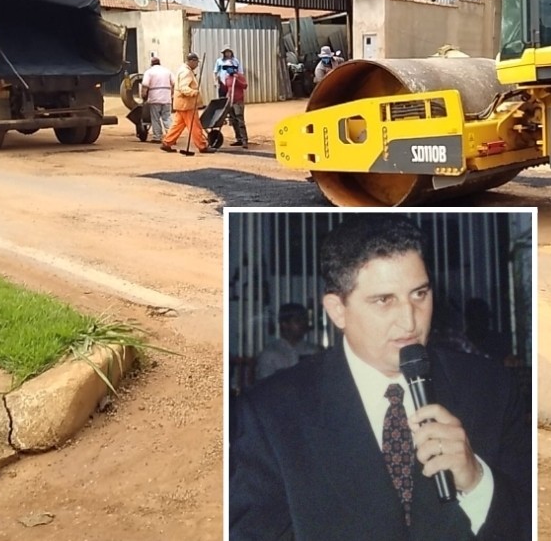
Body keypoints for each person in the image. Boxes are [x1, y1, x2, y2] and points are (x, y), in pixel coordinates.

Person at [229, 214, 531, 541]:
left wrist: (477, 483)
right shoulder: (269, 414)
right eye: (384, 300)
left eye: (419, 294)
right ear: (337, 310)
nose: (409, 321)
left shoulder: (493, 389)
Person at [254, 303, 322, 381]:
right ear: (284, 324)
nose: (303, 324)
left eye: (304, 320)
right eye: (298, 321)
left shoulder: (313, 351)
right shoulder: (270, 354)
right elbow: (264, 385)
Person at [161, 53, 213, 154]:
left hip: (182, 104)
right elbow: (183, 88)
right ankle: (202, 146)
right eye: (196, 62)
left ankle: (167, 143)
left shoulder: (184, 70)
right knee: (195, 126)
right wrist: (194, 92)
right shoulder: (186, 72)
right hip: (187, 105)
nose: (197, 64)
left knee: (177, 125)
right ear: (191, 61)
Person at [139, 55, 173, 144]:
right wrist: (171, 94)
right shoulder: (167, 71)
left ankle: (157, 137)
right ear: (159, 63)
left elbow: (145, 86)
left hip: (155, 99)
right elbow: (173, 84)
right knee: (167, 118)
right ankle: (172, 137)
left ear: (151, 64)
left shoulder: (149, 72)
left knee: (155, 118)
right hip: (167, 99)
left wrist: (144, 97)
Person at [224, 66, 249, 149]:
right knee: (233, 120)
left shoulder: (239, 76)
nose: (228, 70)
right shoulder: (227, 77)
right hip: (230, 101)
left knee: (240, 120)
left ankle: (244, 140)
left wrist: (237, 79)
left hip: (238, 101)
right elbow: (227, 88)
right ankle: (238, 139)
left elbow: (245, 86)